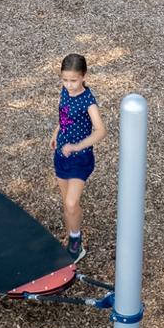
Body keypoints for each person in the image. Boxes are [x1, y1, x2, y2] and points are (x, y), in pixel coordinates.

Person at [51, 53, 104, 261]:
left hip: (80, 158)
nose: (69, 85)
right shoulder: (65, 91)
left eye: (73, 80)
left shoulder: (88, 101)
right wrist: (56, 133)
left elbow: (100, 131)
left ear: (83, 76)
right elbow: (63, 116)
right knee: (67, 203)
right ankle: (72, 238)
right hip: (61, 155)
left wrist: (76, 146)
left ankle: (76, 244)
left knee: (72, 203)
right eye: (65, 80)